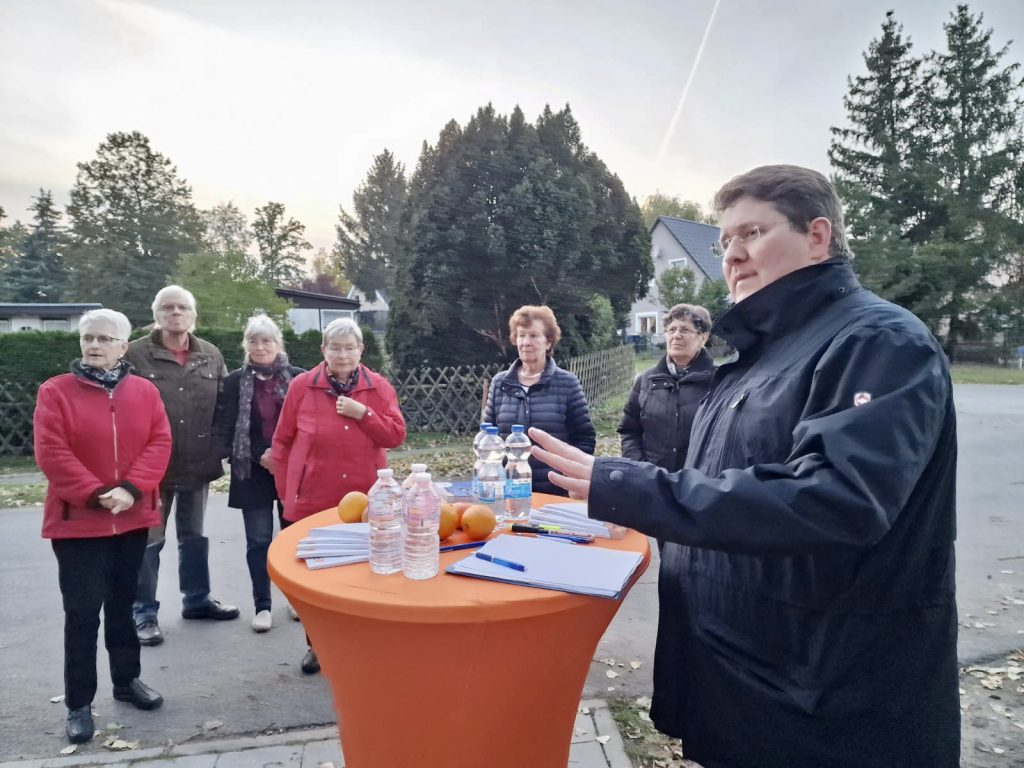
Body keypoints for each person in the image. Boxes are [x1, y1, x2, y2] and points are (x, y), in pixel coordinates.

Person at [528, 165, 959, 768]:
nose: (732, 255)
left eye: (752, 233)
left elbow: (834, 499)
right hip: (741, 676)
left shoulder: (879, 341)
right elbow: (722, 491)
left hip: (823, 696)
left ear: (818, 236)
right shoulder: (755, 359)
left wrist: (631, 489)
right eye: (724, 242)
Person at [34, 309, 171, 744]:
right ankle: (78, 703)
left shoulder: (145, 392)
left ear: (123, 347)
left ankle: (126, 682)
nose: (94, 345)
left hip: (130, 519)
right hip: (78, 523)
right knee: (81, 615)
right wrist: (96, 494)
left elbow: (159, 441)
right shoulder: (55, 392)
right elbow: (52, 452)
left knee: (122, 607)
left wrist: (131, 489)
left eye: (104, 339)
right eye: (88, 337)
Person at [272, 317, 406, 673]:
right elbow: (283, 442)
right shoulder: (302, 386)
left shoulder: (378, 387)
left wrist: (365, 414)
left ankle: (365, 644)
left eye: (350, 347)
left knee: (366, 574)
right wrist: (289, 492)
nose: (343, 354)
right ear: (323, 351)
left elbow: (395, 436)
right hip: (313, 499)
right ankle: (318, 646)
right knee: (316, 581)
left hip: (367, 501)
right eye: (335, 347)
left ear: (361, 351)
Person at [125, 285, 238, 647]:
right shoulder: (134, 354)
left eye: (183, 307)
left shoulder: (211, 354)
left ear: (194, 315)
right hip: (151, 470)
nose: (176, 313)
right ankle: (143, 612)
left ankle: (197, 600)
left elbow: (224, 408)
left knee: (194, 537)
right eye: (168, 307)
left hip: (197, 464)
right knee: (149, 542)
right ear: (156, 314)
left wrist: (218, 450)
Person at [213, 315, 304, 633]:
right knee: (258, 541)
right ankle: (262, 605)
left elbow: (306, 427)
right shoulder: (235, 381)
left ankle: (295, 600)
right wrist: (259, 455)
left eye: (266, 340)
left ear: (278, 344)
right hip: (251, 471)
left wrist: (279, 455)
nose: (260, 346)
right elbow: (226, 429)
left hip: (292, 471)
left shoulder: (298, 379)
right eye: (253, 340)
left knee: (293, 540)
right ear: (246, 345)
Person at [483, 305, 595, 495]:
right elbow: (488, 437)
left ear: (549, 342)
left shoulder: (567, 383)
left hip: (554, 491)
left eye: (534, 335)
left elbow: (584, 439)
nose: (526, 342)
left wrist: (566, 475)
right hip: (508, 491)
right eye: (521, 335)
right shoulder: (500, 382)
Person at [618, 303, 714, 472]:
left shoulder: (719, 382)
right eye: (671, 330)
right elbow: (629, 430)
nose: (676, 336)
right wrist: (641, 468)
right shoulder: (646, 380)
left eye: (684, 330)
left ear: (703, 338)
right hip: (651, 485)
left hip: (699, 485)